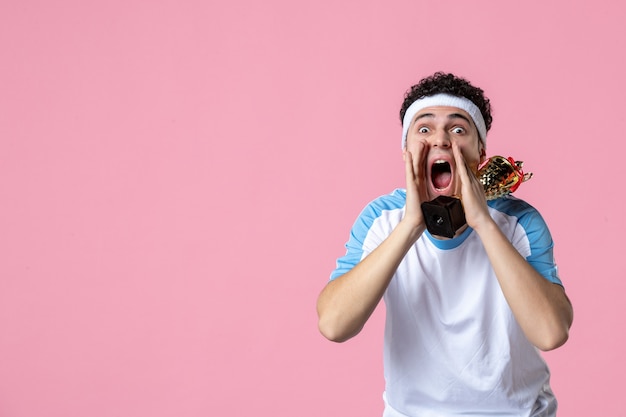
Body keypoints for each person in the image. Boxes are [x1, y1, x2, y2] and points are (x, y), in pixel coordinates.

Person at [316, 72, 573, 416]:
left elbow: (551, 332)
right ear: (406, 149)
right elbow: (334, 324)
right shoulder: (382, 219)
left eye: (458, 129)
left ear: (480, 150)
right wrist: (410, 226)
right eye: (424, 129)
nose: (441, 140)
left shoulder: (519, 222)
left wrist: (482, 220)